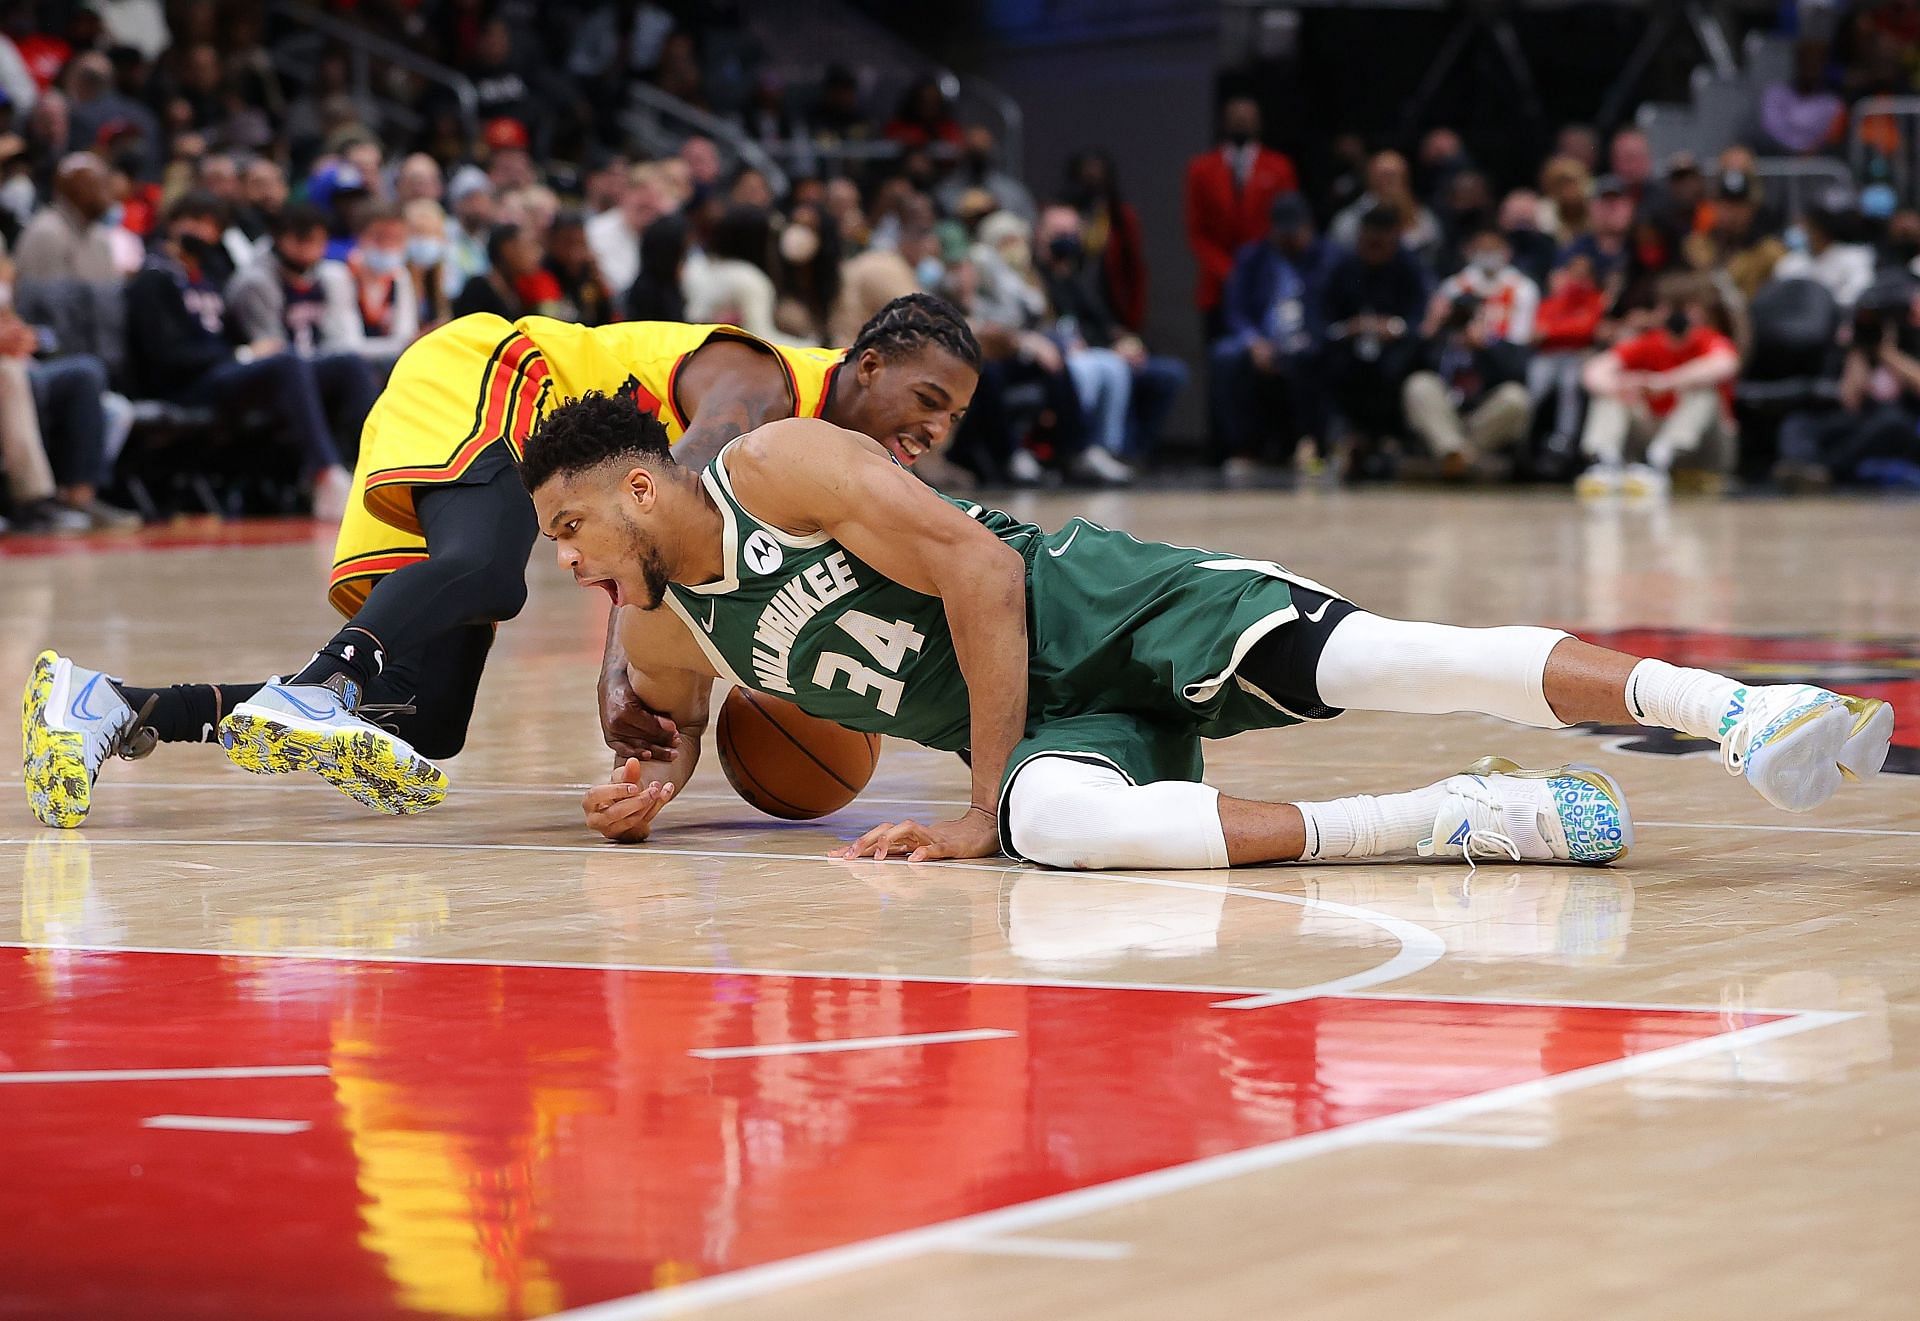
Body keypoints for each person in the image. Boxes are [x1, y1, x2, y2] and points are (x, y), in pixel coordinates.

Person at [519, 391, 1891, 871]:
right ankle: (1463, 818)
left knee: (1392, 656)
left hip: (1098, 603)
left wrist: (973, 804)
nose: (566, 557)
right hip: (1056, 720)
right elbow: (671, 727)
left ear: (642, 486)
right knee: (1071, 833)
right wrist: (647, 781)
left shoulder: (777, 469)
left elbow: (983, 580)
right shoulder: (660, 623)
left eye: (572, 526)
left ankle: (1736, 710)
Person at [23, 294, 983, 828]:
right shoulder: (763, 387)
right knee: (488, 574)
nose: (935, 428)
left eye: (955, 419)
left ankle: (109, 704)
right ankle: (320, 684)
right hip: (499, 384)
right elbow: (662, 528)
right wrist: (622, 672)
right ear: (864, 366)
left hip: (537, 472)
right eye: (926, 397)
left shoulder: (827, 468)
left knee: (421, 724)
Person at [123, 190, 353, 518]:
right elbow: (163, 356)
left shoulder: (212, 275)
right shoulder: (152, 279)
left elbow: (232, 334)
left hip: (223, 373)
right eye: (194, 222)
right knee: (287, 361)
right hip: (185, 385)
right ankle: (325, 473)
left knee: (345, 365)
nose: (202, 232)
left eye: (211, 225)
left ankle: (362, 466)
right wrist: (240, 354)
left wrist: (242, 353)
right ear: (172, 224)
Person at [1036, 204, 1186, 478]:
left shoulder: (1077, 278)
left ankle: (1123, 452)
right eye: (1058, 232)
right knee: (1102, 368)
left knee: (1154, 371)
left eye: (1072, 232)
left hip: (1096, 351)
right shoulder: (1034, 275)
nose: (1066, 239)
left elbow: (1102, 324)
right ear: (1039, 234)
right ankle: (1084, 450)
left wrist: (1126, 342)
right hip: (1061, 355)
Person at [1575, 274, 1739, 500]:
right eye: (1669, 306)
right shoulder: (1648, 343)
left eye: (1684, 307)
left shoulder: (1711, 340)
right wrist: (1625, 385)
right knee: (1611, 393)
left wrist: (1665, 382)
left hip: (1706, 448)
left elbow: (1725, 364)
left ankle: (1657, 463)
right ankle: (1605, 462)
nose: (1675, 313)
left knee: (1704, 394)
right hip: (1654, 429)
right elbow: (1593, 372)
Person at [1210, 192, 1334, 477]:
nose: (1290, 238)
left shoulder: (1328, 257)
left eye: (1295, 230)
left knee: (1317, 356)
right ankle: (1243, 448)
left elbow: (1331, 309)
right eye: (1283, 231)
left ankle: (1314, 444)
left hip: (1309, 338)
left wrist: (1310, 338)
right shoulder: (1252, 257)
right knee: (1226, 356)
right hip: (1264, 340)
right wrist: (1253, 341)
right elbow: (1236, 310)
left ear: (1308, 226)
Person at [1401, 226, 1539, 478]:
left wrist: (1485, 346)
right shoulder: (1452, 289)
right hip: (1447, 409)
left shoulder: (1519, 292)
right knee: (1418, 385)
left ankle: (1455, 457)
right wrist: (1430, 330)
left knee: (1516, 398)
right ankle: (1457, 453)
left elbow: (1518, 369)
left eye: (1493, 248)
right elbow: (1411, 364)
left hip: (1483, 413)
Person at [1183, 96, 1299, 338]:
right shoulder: (1201, 169)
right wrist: (1229, 271)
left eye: (1247, 120)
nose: (1241, 125)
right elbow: (1197, 232)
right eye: (1236, 120)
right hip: (1218, 283)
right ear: (1224, 123)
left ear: (1258, 124)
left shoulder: (1279, 167)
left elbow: (1287, 224)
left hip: (1266, 281)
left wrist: (1254, 270)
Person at [1321, 205, 1430, 459]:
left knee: (1399, 365)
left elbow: (1421, 317)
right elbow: (1322, 314)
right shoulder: (1343, 266)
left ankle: (1391, 439)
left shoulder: (1409, 266)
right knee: (1328, 363)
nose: (1374, 248)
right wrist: (1348, 328)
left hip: (1395, 346)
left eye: (1381, 243)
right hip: (1349, 344)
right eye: (1369, 241)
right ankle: (1339, 438)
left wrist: (1394, 327)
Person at [1064, 148, 1148, 334]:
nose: (1092, 180)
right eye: (1086, 175)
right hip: (1068, 303)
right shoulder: (1061, 216)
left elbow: (1135, 271)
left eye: (1097, 174)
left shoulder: (1121, 217)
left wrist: (1132, 320)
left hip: (1110, 306)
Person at [13, 151, 115, 282]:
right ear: (74, 189)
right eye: (98, 185)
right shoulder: (48, 232)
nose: (106, 195)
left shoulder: (100, 237)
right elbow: (45, 298)